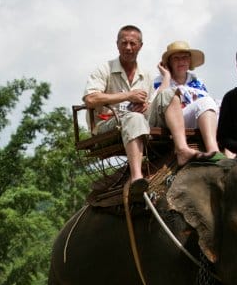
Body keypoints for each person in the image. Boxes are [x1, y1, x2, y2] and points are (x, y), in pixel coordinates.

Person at [84, 26, 210, 185]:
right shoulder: (104, 69)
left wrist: (148, 103)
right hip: (107, 126)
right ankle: (136, 177)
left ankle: (182, 149)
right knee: (134, 118)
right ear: (117, 45)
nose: (128, 47)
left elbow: (153, 104)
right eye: (124, 43)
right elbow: (90, 98)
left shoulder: (146, 75)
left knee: (170, 94)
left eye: (133, 43)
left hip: (140, 121)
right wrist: (128, 95)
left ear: (140, 46)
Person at [152, 41, 219, 156]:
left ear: (190, 61)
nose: (181, 61)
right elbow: (160, 101)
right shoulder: (159, 81)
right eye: (176, 58)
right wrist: (167, 76)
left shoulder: (197, 81)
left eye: (185, 57)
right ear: (169, 63)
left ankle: (230, 149)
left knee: (219, 103)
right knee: (205, 102)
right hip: (173, 120)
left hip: (198, 118)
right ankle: (213, 150)